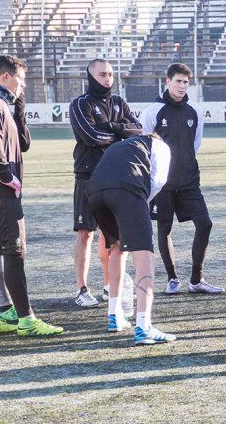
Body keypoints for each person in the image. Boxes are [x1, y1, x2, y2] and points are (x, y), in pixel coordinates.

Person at [0, 54, 62, 336]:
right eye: (20, 81)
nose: (22, 87)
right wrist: (5, 177)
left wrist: (19, 108)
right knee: (14, 252)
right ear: (5, 77)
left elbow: (22, 143)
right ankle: (27, 320)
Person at [85, 132, 175, 345]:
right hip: (127, 190)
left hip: (94, 194)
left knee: (117, 248)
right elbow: (158, 180)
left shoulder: (122, 146)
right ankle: (144, 327)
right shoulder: (160, 145)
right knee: (145, 257)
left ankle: (114, 315)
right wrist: (141, 207)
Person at [142, 63, 224, 294]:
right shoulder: (153, 112)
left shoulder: (194, 111)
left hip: (189, 181)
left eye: (186, 82)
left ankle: (196, 279)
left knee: (205, 224)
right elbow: (146, 145)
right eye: (178, 81)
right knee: (164, 228)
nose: (182, 86)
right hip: (162, 183)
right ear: (167, 82)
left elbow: (195, 143)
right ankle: (172, 279)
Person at [69, 58, 143, 307]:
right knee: (85, 234)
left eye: (110, 74)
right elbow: (91, 136)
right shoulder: (80, 104)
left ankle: (110, 285)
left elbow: (137, 130)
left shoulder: (119, 102)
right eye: (102, 75)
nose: (107, 79)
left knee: (113, 237)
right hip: (88, 176)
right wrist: (119, 132)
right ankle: (81, 289)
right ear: (90, 76)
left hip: (116, 177)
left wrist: (112, 127)